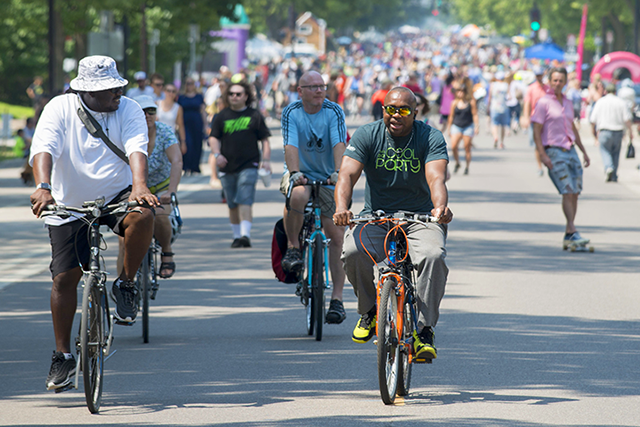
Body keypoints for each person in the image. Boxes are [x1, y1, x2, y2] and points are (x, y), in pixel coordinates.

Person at [28, 55, 158, 391]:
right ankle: (62, 356)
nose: (117, 91)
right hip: (68, 202)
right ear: (86, 91)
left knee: (144, 215)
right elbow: (44, 147)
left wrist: (140, 187)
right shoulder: (59, 108)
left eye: (118, 85)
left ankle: (126, 283)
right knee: (64, 277)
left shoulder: (128, 108)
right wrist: (43, 187)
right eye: (109, 88)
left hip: (117, 195)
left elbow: (136, 148)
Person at [333, 87, 452, 361]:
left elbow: (436, 177)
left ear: (415, 112)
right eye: (391, 109)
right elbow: (347, 175)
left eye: (404, 110)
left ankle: (424, 330)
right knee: (352, 251)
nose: (396, 115)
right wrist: (342, 208)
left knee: (433, 255)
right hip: (376, 215)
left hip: (420, 216)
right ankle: (370, 312)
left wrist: (439, 207)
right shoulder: (367, 134)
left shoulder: (430, 136)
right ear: (383, 109)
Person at [279, 70, 348, 325]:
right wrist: (295, 173)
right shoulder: (291, 112)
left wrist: (339, 173)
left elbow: (339, 143)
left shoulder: (333, 111)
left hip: (329, 174)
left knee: (336, 235)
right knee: (297, 196)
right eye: (312, 87)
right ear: (300, 91)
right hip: (301, 172)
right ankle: (294, 247)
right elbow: (290, 146)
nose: (319, 90)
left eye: (322, 86)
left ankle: (338, 300)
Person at [116, 95, 183, 278]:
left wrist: (172, 191)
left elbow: (176, 161)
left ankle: (167, 252)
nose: (147, 115)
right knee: (124, 237)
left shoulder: (164, 131)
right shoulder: (125, 131)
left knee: (161, 215)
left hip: (160, 187)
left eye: (151, 111)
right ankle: (124, 282)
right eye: (142, 112)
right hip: (132, 188)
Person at [531, 67, 591, 248]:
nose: (557, 84)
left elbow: (572, 127)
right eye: (554, 80)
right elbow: (536, 131)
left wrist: (583, 151)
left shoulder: (568, 102)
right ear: (549, 81)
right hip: (554, 151)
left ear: (565, 82)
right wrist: (542, 154)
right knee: (567, 189)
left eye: (561, 80)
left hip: (570, 149)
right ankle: (572, 229)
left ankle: (569, 232)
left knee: (575, 191)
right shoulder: (543, 103)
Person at [209, 80, 271, 248]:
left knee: (244, 198)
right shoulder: (221, 116)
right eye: (231, 94)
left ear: (246, 97)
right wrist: (217, 154)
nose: (234, 97)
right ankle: (237, 236)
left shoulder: (255, 115)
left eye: (238, 94)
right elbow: (213, 137)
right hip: (226, 165)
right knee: (232, 203)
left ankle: (245, 235)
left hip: (249, 164)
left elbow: (264, 140)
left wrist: (266, 160)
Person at [589, 82, 632, 182]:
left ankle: (609, 167)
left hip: (604, 130)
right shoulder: (621, 102)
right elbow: (627, 119)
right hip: (618, 131)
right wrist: (630, 132)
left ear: (605, 91)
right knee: (615, 153)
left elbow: (593, 120)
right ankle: (614, 174)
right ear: (615, 91)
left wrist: (594, 133)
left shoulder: (600, 102)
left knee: (605, 151)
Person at [446, 77, 479, 175]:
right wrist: (449, 127)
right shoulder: (454, 103)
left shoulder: (471, 102)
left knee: (467, 147)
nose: (460, 93)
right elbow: (451, 116)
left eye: (462, 91)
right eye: (458, 91)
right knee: (454, 146)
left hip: (467, 126)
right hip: (456, 125)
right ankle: (457, 162)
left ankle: (467, 166)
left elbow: (474, 114)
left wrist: (477, 126)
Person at [521, 66, 549, 176]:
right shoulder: (531, 88)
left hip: (547, 120)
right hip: (535, 119)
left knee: (548, 143)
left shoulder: (547, 88)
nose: (539, 77)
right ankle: (539, 166)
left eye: (540, 75)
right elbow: (527, 103)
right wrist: (526, 117)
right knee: (538, 145)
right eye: (537, 75)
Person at [178, 77, 207, 175]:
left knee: (197, 144)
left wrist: (205, 125)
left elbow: (203, 111)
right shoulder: (182, 97)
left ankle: (195, 166)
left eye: (191, 83)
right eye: (187, 83)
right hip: (185, 123)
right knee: (187, 143)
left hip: (197, 122)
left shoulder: (199, 96)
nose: (189, 85)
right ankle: (186, 166)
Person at [157, 83, 187, 154]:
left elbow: (181, 126)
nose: (171, 93)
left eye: (173, 91)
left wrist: (183, 142)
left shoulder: (178, 108)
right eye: (168, 90)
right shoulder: (157, 104)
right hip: (157, 138)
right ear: (164, 91)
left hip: (171, 139)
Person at [488, 70, 509, 149]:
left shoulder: (493, 85)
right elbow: (509, 96)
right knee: (503, 125)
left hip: (494, 107)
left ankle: (495, 137)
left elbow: (489, 97)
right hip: (504, 107)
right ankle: (502, 142)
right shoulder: (506, 85)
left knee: (494, 124)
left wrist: (488, 106)